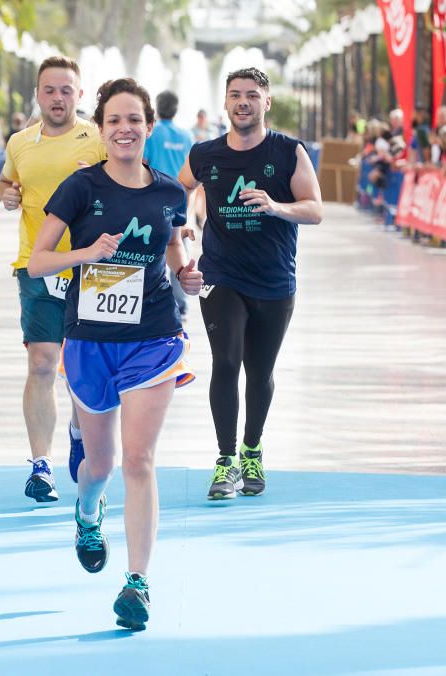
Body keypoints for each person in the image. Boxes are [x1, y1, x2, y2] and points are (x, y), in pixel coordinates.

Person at [28, 77, 202, 631]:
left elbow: (174, 244)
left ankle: (138, 583)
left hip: (154, 335)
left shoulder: (169, 192)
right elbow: (37, 262)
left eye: (134, 120)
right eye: (114, 121)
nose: (125, 129)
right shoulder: (79, 188)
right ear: (101, 130)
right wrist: (88, 251)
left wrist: (185, 276)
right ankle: (87, 512)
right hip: (90, 341)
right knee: (98, 464)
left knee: (139, 459)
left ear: (150, 127)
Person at [177, 67, 323, 500]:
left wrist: (276, 206)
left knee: (260, 372)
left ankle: (252, 449)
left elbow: (314, 209)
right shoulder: (204, 153)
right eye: (236, 95)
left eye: (252, 95)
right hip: (221, 275)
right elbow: (178, 189)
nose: (244, 102)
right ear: (225, 102)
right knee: (226, 362)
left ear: (267, 102)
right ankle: (225, 461)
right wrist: (184, 223)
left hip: (275, 279)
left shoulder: (288, 151)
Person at [0, 55, 105, 501]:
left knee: (81, 367)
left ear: (79, 95)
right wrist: (7, 194)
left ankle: (80, 434)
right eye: (49, 90)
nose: (58, 97)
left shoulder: (99, 138)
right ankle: (41, 465)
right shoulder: (20, 142)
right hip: (36, 265)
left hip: (92, 266)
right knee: (42, 363)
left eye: (66, 90)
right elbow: (8, 184)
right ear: (38, 94)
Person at [145, 90, 195, 320]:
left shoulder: (151, 134)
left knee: (152, 252)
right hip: (179, 202)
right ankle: (180, 304)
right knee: (179, 250)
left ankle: (152, 300)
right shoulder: (186, 136)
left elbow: (142, 164)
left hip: (152, 200)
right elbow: (194, 176)